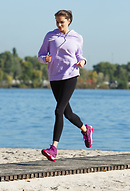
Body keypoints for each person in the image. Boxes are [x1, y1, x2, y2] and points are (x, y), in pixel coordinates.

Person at [38, 10, 93, 161]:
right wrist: (45, 59)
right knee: (68, 113)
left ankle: (53, 148)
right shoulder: (50, 36)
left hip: (70, 75)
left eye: (62, 22)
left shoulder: (77, 37)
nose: (59, 25)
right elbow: (40, 55)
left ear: (68, 21)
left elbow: (79, 55)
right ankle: (85, 129)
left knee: (58, 110)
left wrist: (82, 61)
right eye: (57, 22)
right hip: (55, 77)